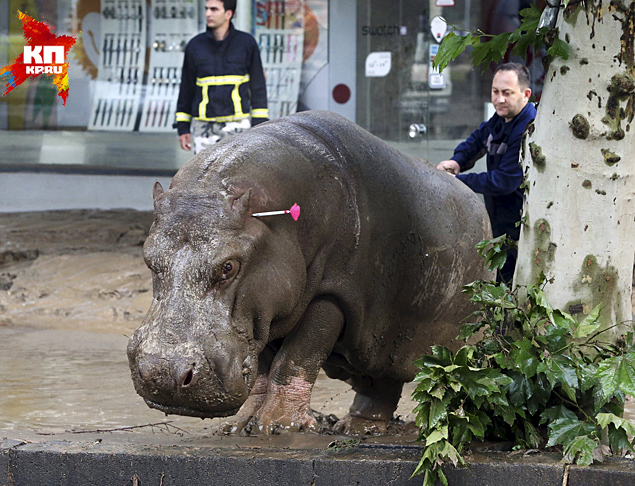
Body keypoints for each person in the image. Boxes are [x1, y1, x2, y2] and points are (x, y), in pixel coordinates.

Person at [437, 62, 536, 283]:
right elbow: (477, 141)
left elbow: (504, 181)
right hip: (499, 223)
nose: (499, 99)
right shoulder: (501, 118)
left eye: (507, 93)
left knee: (513, 283)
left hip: (522, 227)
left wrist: (456, 181)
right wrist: (456, 161)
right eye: (495, 92)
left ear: (526, 94)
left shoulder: (529, 126)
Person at [175, 0, 269, 154]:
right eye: (206, 9)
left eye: (214, 9)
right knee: (202, 176)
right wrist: (182, 127)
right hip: (203, 127)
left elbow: (258, 87)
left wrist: (260, 126)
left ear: (228, 14)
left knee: (238, 176)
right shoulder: (195, 46)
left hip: (238, 126)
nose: (207, 14)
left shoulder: (246, 44)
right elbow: (186, 88)